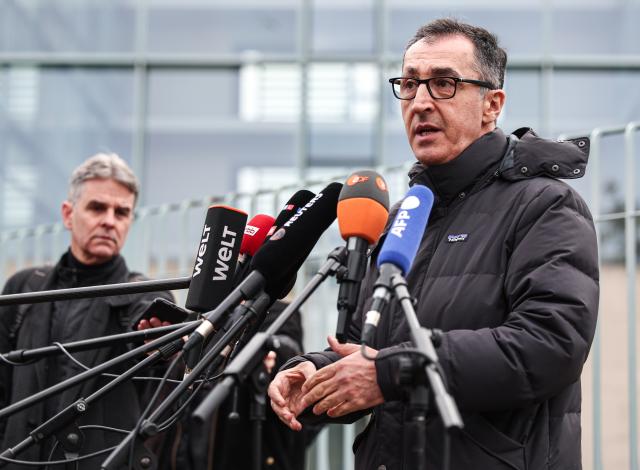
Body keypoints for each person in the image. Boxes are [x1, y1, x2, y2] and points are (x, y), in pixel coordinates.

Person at [268, 18, 599, 470]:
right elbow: (370, 347)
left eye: (443, 83)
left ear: (492, 104)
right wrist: (316, 371)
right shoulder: (405, 218)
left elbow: (550, 345)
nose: (420, 102)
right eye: (408, 85)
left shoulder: (547, 205)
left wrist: (390, 373)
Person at [0, 153, 174, 469]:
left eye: (122, 212)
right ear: (68, 214)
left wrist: (157, 337)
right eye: (97, 208)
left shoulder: (145, 295)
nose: (110, 220)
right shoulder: (23, 288)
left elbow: (151, 322)